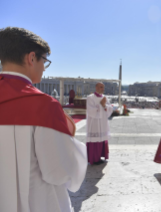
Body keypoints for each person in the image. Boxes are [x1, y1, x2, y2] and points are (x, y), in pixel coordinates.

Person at [0, 27, 87, 212]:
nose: (44, 68)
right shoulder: (44, 105)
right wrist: (71, 138)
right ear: (31, 58)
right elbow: (60, 171)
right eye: (44, 61)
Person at [86, 82, 113, 165]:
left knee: (102, 139)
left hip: (103, 122)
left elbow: (109, 108)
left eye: (103, 87)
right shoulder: (90, 97)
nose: (103, 89)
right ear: (96, 88)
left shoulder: (105, 98)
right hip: (94, 122)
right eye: (101, 87)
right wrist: (101, 105)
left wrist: (105, 106)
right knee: (95, 139)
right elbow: (90, 110)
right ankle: (94, 158)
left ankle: (100, 156)